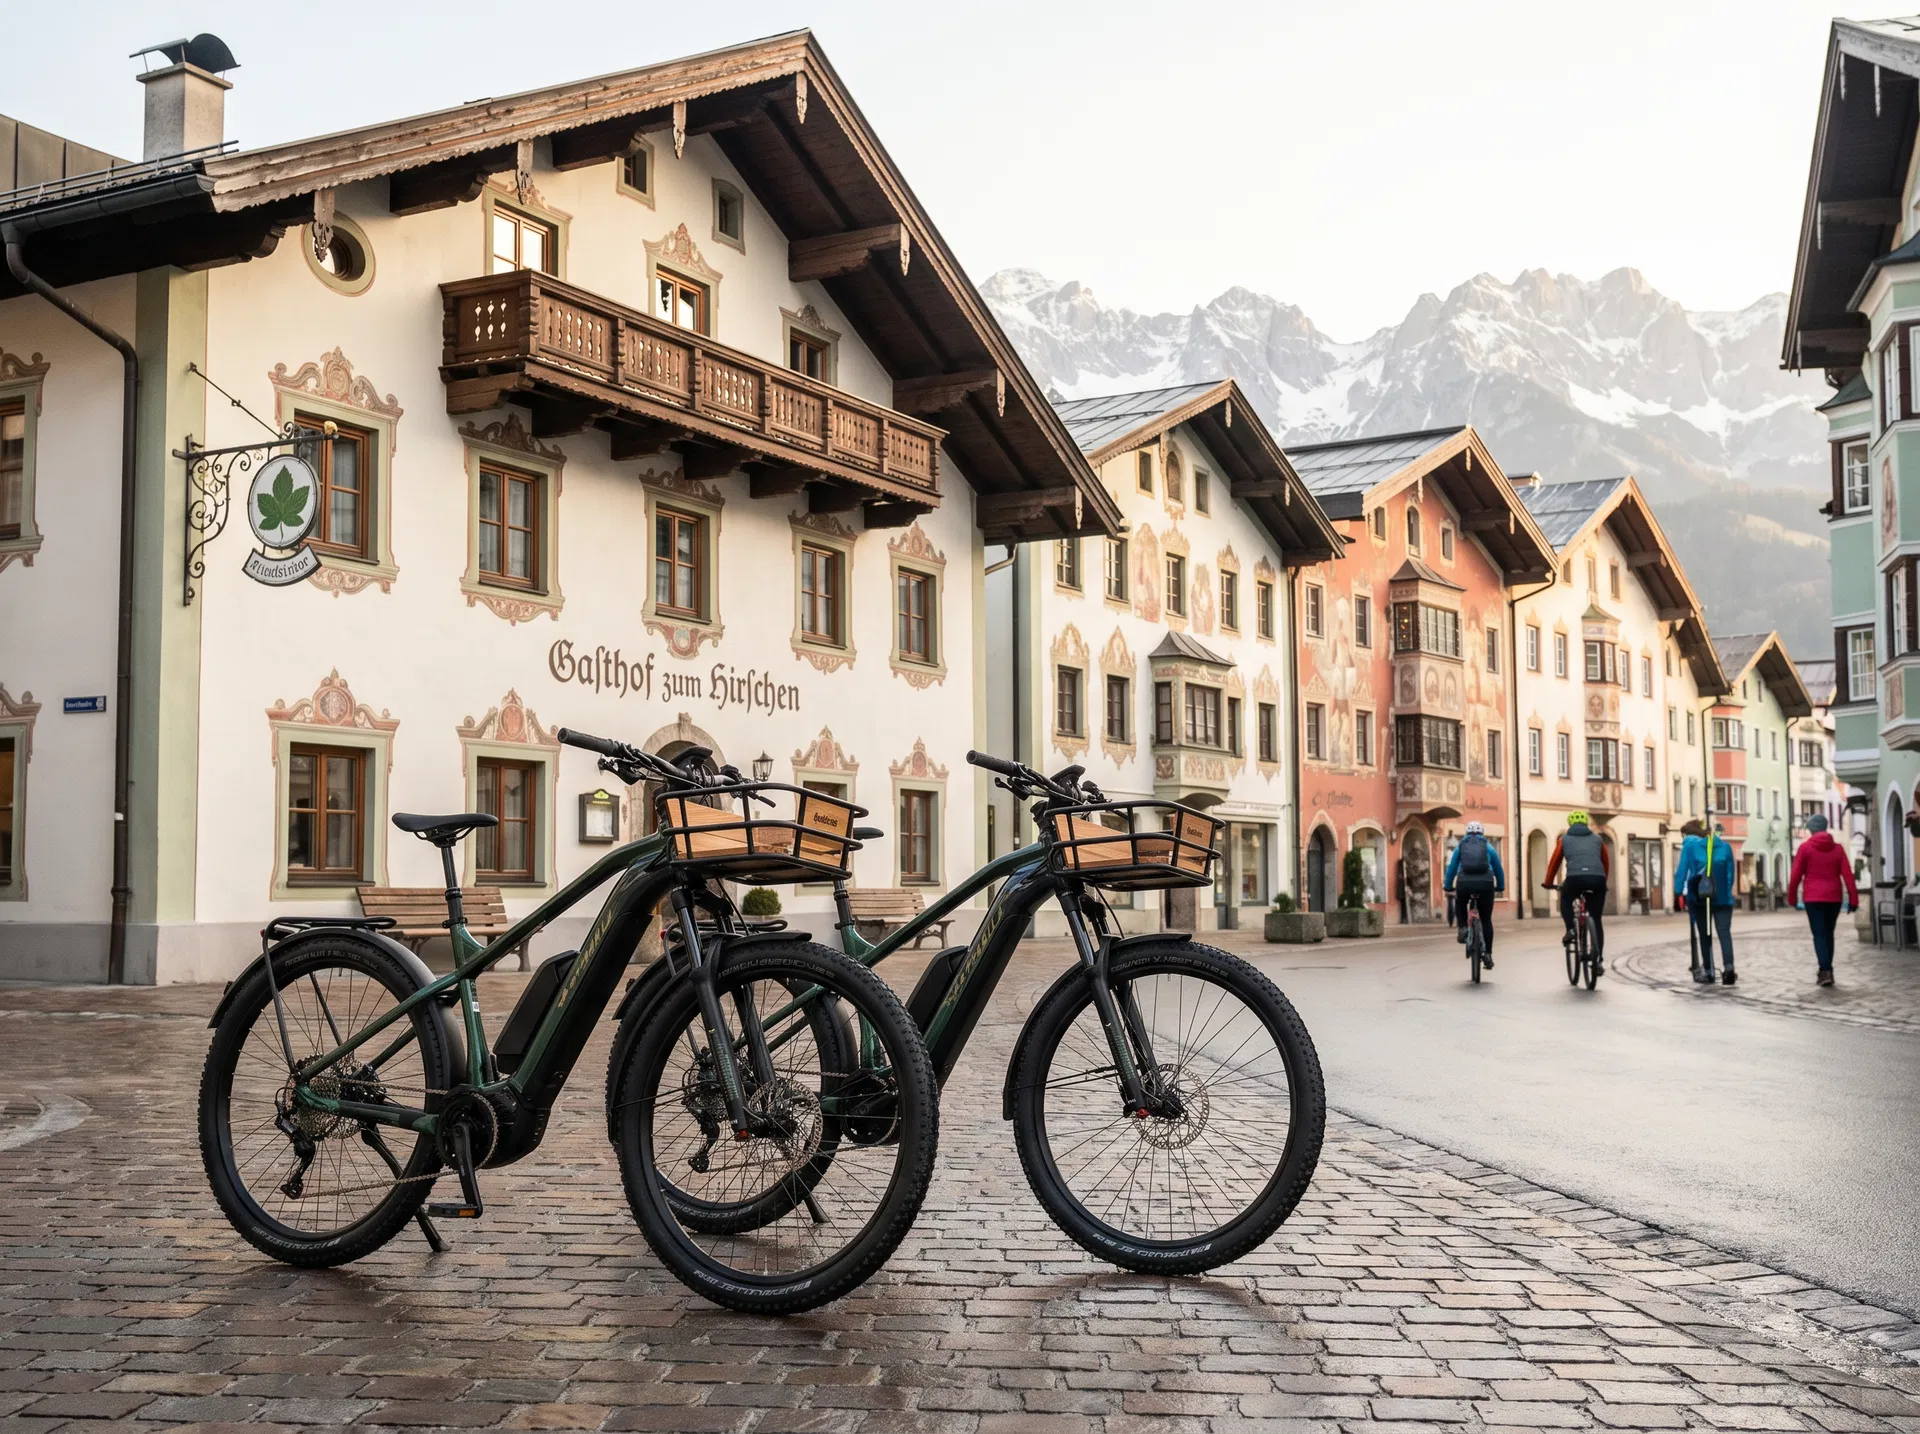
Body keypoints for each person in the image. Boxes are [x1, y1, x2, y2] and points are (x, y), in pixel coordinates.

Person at [1786, 813, 1858, 987]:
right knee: (1829, 933)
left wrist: (1792, 898)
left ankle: (1825, 970)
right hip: (1834, 897)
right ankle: (1828, 970)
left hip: (1813, 897)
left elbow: (1795, 875)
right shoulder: (1838, 849)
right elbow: (1848, 875)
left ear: (1811, 829)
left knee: (1819, 934)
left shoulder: (1805, 848)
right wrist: (1853, 900)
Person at [1542, 811, 1610, 975]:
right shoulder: (1598, 839)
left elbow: (1554, 863)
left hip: (1574, 879)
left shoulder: (1563, 840)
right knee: (1596, 919)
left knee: (1565, 899)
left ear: (1570, 824)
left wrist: (1549, 882)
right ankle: (1598, 960)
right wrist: (1602, 881)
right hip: (1597, 880)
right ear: (1586, 824)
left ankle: (1571, 929)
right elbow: (1605, 862)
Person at [1674, 819, 1737, 985]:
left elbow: (1683, 869)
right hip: (1723, 899)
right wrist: (1726, 892)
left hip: (1702, 899)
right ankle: (1729, 969)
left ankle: (1709, 972)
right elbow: (1731, 874)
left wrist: (1678, 889)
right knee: (1724, 934)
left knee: (1705, 935)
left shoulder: (1694, 848)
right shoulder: (1726, 848)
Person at [1443, 820, 1505, 967]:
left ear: (1467, 834)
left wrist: (1447, 886)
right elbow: (1498, 869)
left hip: (1464, 883)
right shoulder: (1489, 847)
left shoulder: (1460, 847)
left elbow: (1451, 868)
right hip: (1486, 884)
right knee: (1486, 920)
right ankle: (1488, 954)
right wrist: (1500, 886)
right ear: (1482, 833)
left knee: (1460, 901)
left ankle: (1463, 926)